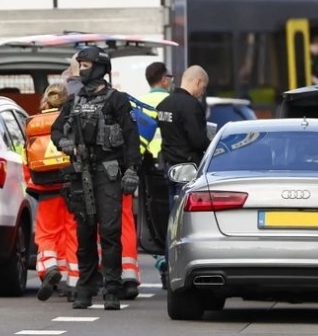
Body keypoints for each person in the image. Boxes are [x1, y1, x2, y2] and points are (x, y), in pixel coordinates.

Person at [50, 46, 141, 310]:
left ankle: (112, 288)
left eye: (87, 64)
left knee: (110, 232)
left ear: (100, 68)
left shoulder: (117, 100)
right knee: (84, 231)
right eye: (81, 64)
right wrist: (65, 143)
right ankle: (86, 288)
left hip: (108, 171)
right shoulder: (74, 100)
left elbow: (131, 138)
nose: (82, 68)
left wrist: (132, 170)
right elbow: (57, 130)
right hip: (81, 173)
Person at [25, 83, 79, 303]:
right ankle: (73, 282)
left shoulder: (33, 122)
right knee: (72, 233)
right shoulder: (72, 119)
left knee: (47, 233)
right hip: (70, 185)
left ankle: (49, 267)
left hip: (45, 188)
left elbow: (26, 158)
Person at [138, 62, 173, 289]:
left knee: (149, 214)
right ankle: (169, 258)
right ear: (163, 79)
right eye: (169, 77)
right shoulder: (170, 102)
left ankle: (160, 259)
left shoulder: (140, 102)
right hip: (168, 164)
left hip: (146, 165)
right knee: (170, 213)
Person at [156, 64, 211, 212]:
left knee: (172, 212)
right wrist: (212, 145)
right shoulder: (191, 105)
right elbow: (197, 140)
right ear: (198, 82)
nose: (202, 92)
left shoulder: (164, 104)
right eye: (203, 87)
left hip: (168, 166)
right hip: (187, 169)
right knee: (184, 215)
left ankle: (170, 236)